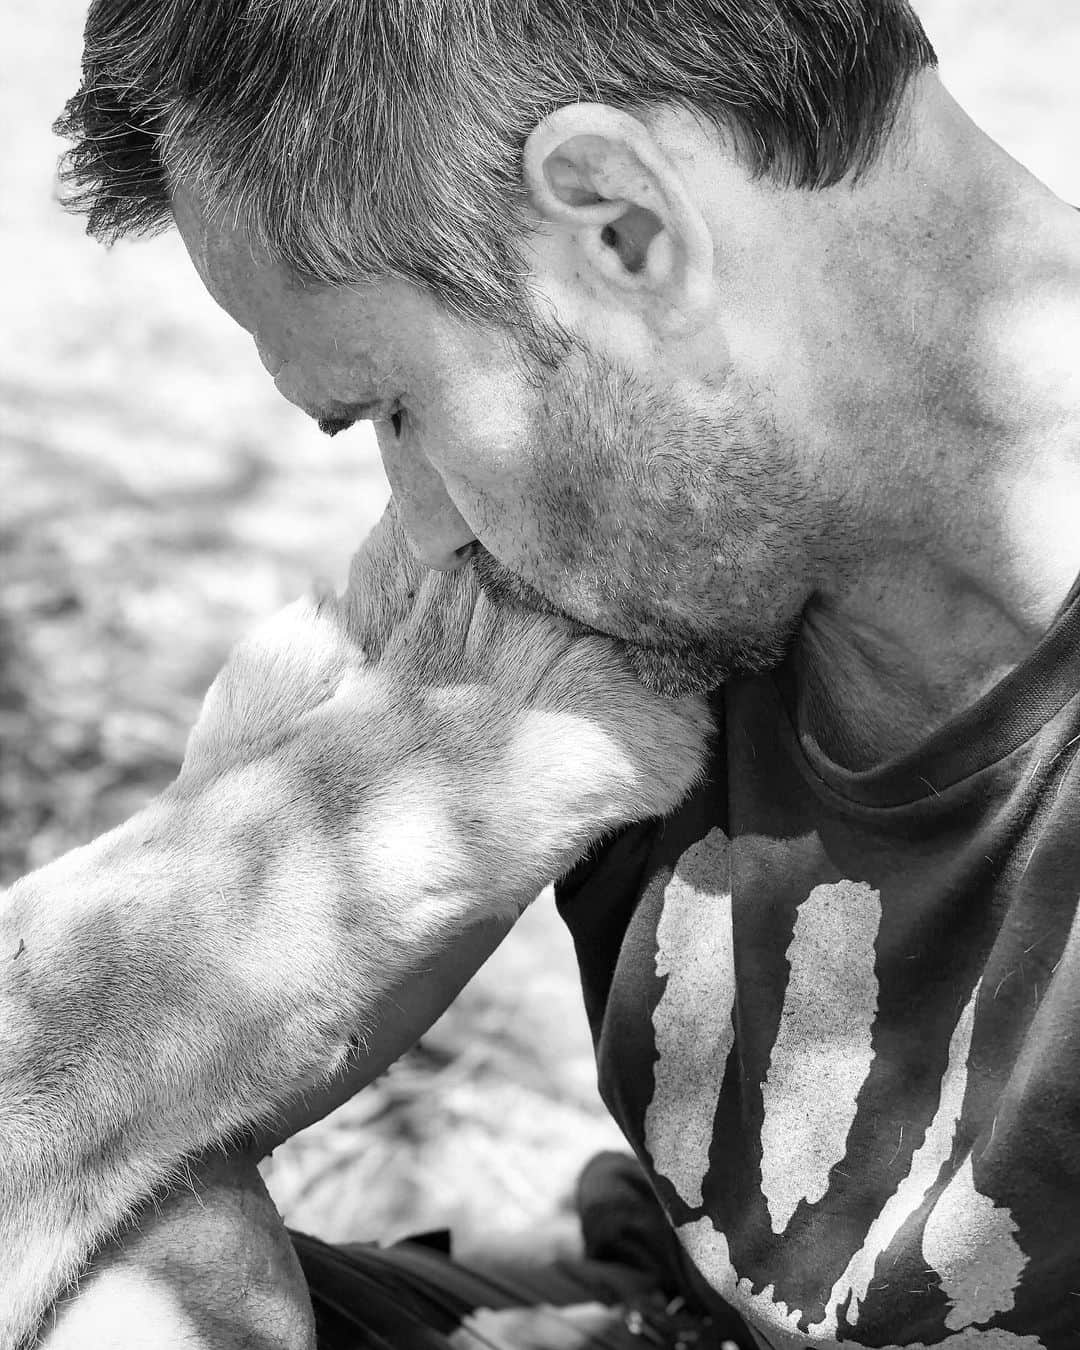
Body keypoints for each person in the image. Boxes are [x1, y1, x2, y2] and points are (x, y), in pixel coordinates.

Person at [25, 0, 1080, 1346]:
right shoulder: (636, 554)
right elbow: (72, 1089)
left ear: (622, 228)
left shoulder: (640, 506)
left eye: (392, 404)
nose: (413, 522)